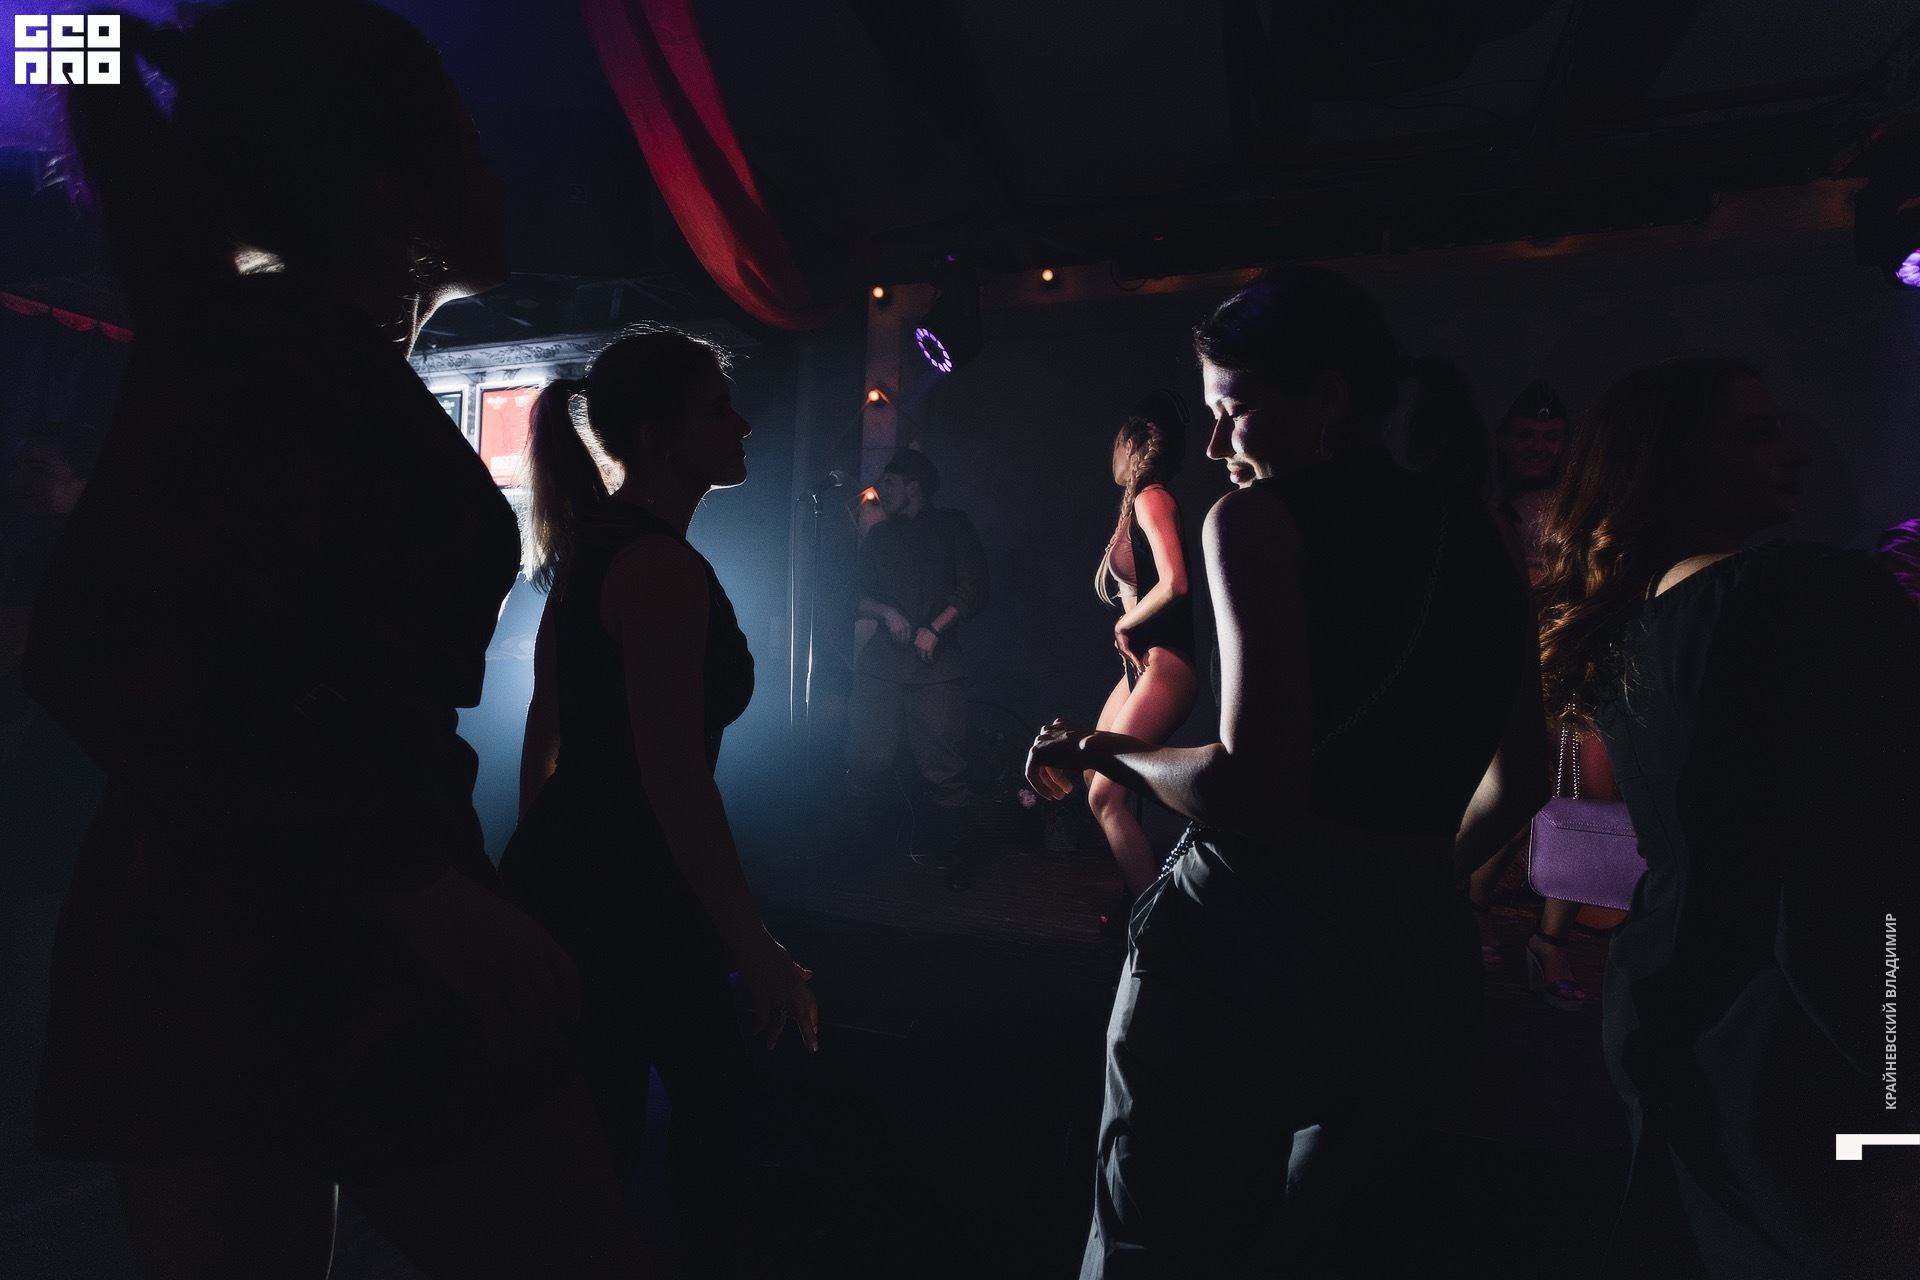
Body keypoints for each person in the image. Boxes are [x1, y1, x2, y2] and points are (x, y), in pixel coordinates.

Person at [25, 5, 644, 1275]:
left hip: (229, 929)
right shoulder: (279, 352)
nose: (500, 181)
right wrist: (410, 883)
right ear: (389, 190)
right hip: (300, 923)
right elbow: (100, 643)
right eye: (472, 148)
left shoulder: (284, 349)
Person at [1028, 266, 1547, 1276]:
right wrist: (1411, 877)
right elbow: (1521, 772)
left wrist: (1105, 748)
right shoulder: (1477, 524)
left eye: (1234, 411)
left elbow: (1253, 792)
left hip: (1248, 947)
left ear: (1328, 397)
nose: (1215, 444)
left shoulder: (1255, 520)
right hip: (1419, 963)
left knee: (1154, 1247)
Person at [1536, 356, 1920, 1277]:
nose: (1793, 453)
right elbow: (1862, 863)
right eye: (1755, 434)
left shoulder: (1629, 621)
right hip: (1816, 1020)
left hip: (1673, 1005)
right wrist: (1899, 1095)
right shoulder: (1804, 591)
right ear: (1672, 462)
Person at [501, 330, 818, 1274]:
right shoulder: (661, 570)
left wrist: (536, 883)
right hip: (637, 891)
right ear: (659, 436)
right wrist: (753, 946)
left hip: (578, 880)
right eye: (719, 408)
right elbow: (674, 776)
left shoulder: (593, 552)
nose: (743, 423)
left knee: (599, 1149)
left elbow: (545, 735)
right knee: (704, 1143)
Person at [1468, 379, 1594, 1007]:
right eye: (1527, 435)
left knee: (1576, 795)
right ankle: (1472, 907)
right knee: (1518, 789)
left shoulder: (1578, 507)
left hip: (1569, 662)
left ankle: (1551, 940)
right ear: (1503, 439)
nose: (1539, 446)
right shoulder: (1484, 506)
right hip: (1506, 663)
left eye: (1551, 436)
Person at [0, 425, 108, 1150]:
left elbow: (22, 656)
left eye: (40, 466)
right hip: (62, 767)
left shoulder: (59, 551)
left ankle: (38, 1105)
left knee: (38, 935)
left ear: (76, 478)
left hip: (48, 770)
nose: (22, 479)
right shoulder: (70, 546)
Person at [846, 447, 990, 889]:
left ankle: (954, 861)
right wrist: (887, 612)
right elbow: (856, 594)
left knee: (945, 767)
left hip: (935, 665)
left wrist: (935, 628)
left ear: (914, 487)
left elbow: (975, 587)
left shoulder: (952, 525)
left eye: (891, 483)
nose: (882, 490)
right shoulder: (880, 537)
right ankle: (860, 855)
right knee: (865, 757)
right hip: (881, 665)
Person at [1085, 392, 1198, 906]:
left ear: (1131, 444)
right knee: (1095, 771)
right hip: (1142, 666)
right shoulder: (1134, 505)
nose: (1111, 454)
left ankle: (1155, 919)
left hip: (1168, 664)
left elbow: (1175, 582)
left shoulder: (1153, 497)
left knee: (1105, 794)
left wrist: (1124, 623)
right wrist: (1129, 626)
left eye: (1116, 444)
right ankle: (1141, 888)